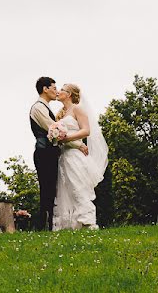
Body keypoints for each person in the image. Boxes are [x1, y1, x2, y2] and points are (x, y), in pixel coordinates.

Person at [29, 77, 88, 230]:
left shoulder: (47, 108)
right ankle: (43, 226)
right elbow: (53, 129)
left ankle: (49, 225)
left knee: (52, 190)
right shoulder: (38, 108)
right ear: (45, 89)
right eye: (54, 88)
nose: (56, 91)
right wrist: (78, 144)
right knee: (46, 190)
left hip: (51, 152)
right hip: (44, 152)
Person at [52, 83, 109, 231]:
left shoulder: (77, 109)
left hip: (75, 155)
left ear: (69, 94)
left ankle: (89, 222)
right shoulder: (61, 113)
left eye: (62, 90)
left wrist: (67, 137)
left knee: (78, 187)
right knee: (67, 190)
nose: (58, 92)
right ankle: (72, 224)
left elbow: (86, 131)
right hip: (64, 155)